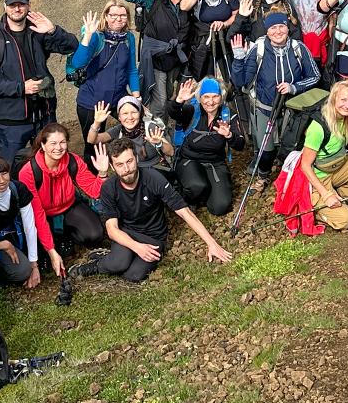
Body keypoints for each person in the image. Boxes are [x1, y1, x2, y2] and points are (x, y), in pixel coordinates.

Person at [69, 138, 231, 282]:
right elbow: (112, 230)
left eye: (129, 161)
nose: (126, 168)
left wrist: (211, 243)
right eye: (120, 164)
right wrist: (136, 247)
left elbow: (184, 211)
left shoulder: (154, 179)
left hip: (154, 236)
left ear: (136, 158)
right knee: (119, 263)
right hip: (127, 233)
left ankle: (116, 258)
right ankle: (99, 264)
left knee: (133, 276)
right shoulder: (109, 188)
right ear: (112, 166)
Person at [0, 0, 79, 166]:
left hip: (45, 115)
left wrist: (53, 30)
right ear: (5, 6)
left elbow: (71, 46)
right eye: (12, 5)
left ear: (29, 5)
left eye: (21, 4)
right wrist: (22, 87)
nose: (17, 9)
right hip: (12, 123)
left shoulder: (37, 31)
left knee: (52, 166)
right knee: (12, 171)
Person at [230, 13, 321, 191]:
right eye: (273, 28)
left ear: (288, 28)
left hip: (292, 109)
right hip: (264, 108)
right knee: (266, 150)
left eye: (281, 27)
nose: (278, 31)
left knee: (292, 145)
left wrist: (294, 87)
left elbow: (314, 76)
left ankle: (293, 176)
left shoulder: (298, 48)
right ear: (267, 30)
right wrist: (239, 59)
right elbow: (240, 81)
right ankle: (263, 175)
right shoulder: (259, 49)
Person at [16, 123, 109, 277]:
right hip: (43, 213)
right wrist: (52, 252)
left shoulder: (73, 161)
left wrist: (103, 173)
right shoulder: (29, 172)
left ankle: (65, 236)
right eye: (52, 143)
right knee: (43, 257)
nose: (58, 148)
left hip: (69, 205)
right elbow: (37, 214)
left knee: (95, 235)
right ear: (43, 146)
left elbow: (94, 190)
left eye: (62, 142)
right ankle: (55, 242)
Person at [297, 81, 348, 231]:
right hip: (319, 177)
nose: (347, 105)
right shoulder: (318, 127)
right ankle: (319, 210)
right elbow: (305, 165)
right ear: (334, 98)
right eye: (343, 99)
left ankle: (343, 198)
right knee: (346, 220)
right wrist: (325, 194)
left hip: (337, 168)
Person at [119, 0, 191, 120]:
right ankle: (159, 137)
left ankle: (163, 128)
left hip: (176, 57)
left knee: (169, 94)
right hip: (156, 58)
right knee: (159, 100)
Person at [69, 1, 140, 162]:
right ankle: (93, 180)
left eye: (122, 15)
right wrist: (87, 36)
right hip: (91, 101)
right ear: (106, 17)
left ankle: (135, 163)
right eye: (113, 15)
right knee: (93, 144)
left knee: (137, 125)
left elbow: (131, 69)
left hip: (118, 97)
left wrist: (136, 97)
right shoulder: (96, 35)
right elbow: (78, 63)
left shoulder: (128, 38)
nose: (118, 19)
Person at [169, 78, 246, 216]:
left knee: (220, 207)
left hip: (215, 163)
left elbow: (240, 144)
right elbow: (173, 113)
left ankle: (204, 191)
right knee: (196, 185)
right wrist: (179, 100)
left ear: (221, 97)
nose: (210, 102)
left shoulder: (228, 115)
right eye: (206, 97)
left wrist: (229, 135)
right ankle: (190, 198)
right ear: (200, 97)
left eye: (215, 96)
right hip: (189, 159)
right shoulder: (192, 110)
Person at [0, 156, 41, 289]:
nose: (1, 181)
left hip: (11, 237)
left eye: (4, 174)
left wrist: (33, 265)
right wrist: (0, 245)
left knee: (24, 271)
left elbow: (30, 227)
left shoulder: (17, 190)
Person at [180, 0, 240, 80]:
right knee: (206, 80)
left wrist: (224, 24)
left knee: (231, 78)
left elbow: (237, 14)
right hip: (203, 43)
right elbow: (184, 6)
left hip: (226, 40)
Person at [86, 95, 176, 180]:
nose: (130, 117)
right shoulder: (117, 131)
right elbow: (92, 140)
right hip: (130, 172)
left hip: (156, 169)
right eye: (125, 113)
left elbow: (171, 152)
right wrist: (96, 123)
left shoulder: (150, 127)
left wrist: (160, 143)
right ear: (119, 117)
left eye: (134, 112)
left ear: (140, 114)